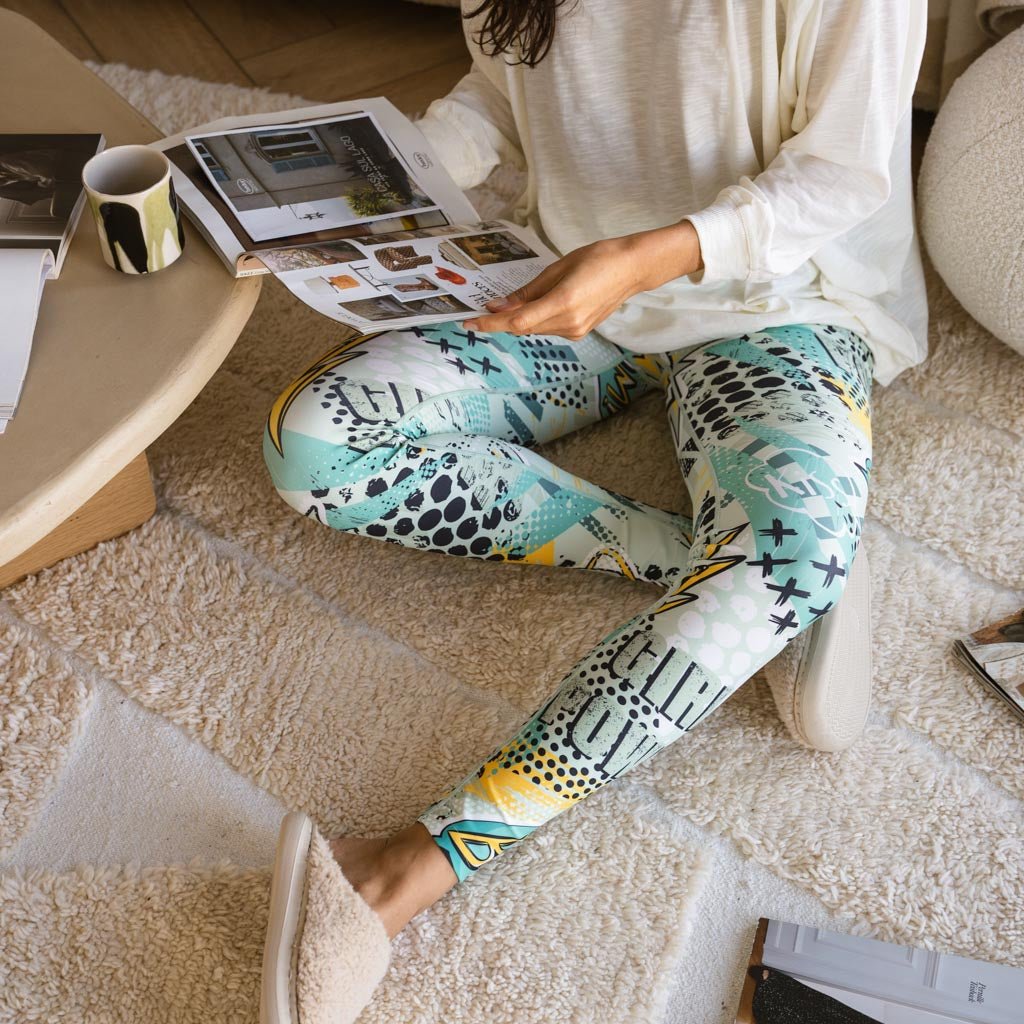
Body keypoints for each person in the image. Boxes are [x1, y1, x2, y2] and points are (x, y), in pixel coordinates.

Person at [260, 0, 927, 1017]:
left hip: (777, 305)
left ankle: (408, 869)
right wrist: (372, 189)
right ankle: (758, 584)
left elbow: (840, 175)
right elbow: (501, 90)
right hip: (564, 278)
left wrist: (643, 258)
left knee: (782, 556)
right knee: (314, 443)